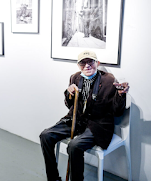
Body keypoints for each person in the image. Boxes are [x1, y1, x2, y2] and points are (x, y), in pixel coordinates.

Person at [39, 50, 129, 181]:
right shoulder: (75, 77)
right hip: (76, 120)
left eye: (90, 62)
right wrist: (68, 93)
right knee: (45, 135)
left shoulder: (109, 80)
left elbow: (117, 112)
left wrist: (121, 95)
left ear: (97, 63)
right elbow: (69, 105)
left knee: (74, 146)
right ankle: (53, 178)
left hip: (98, 124)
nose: (87, 66)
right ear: (78, 65)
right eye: (83, 63)